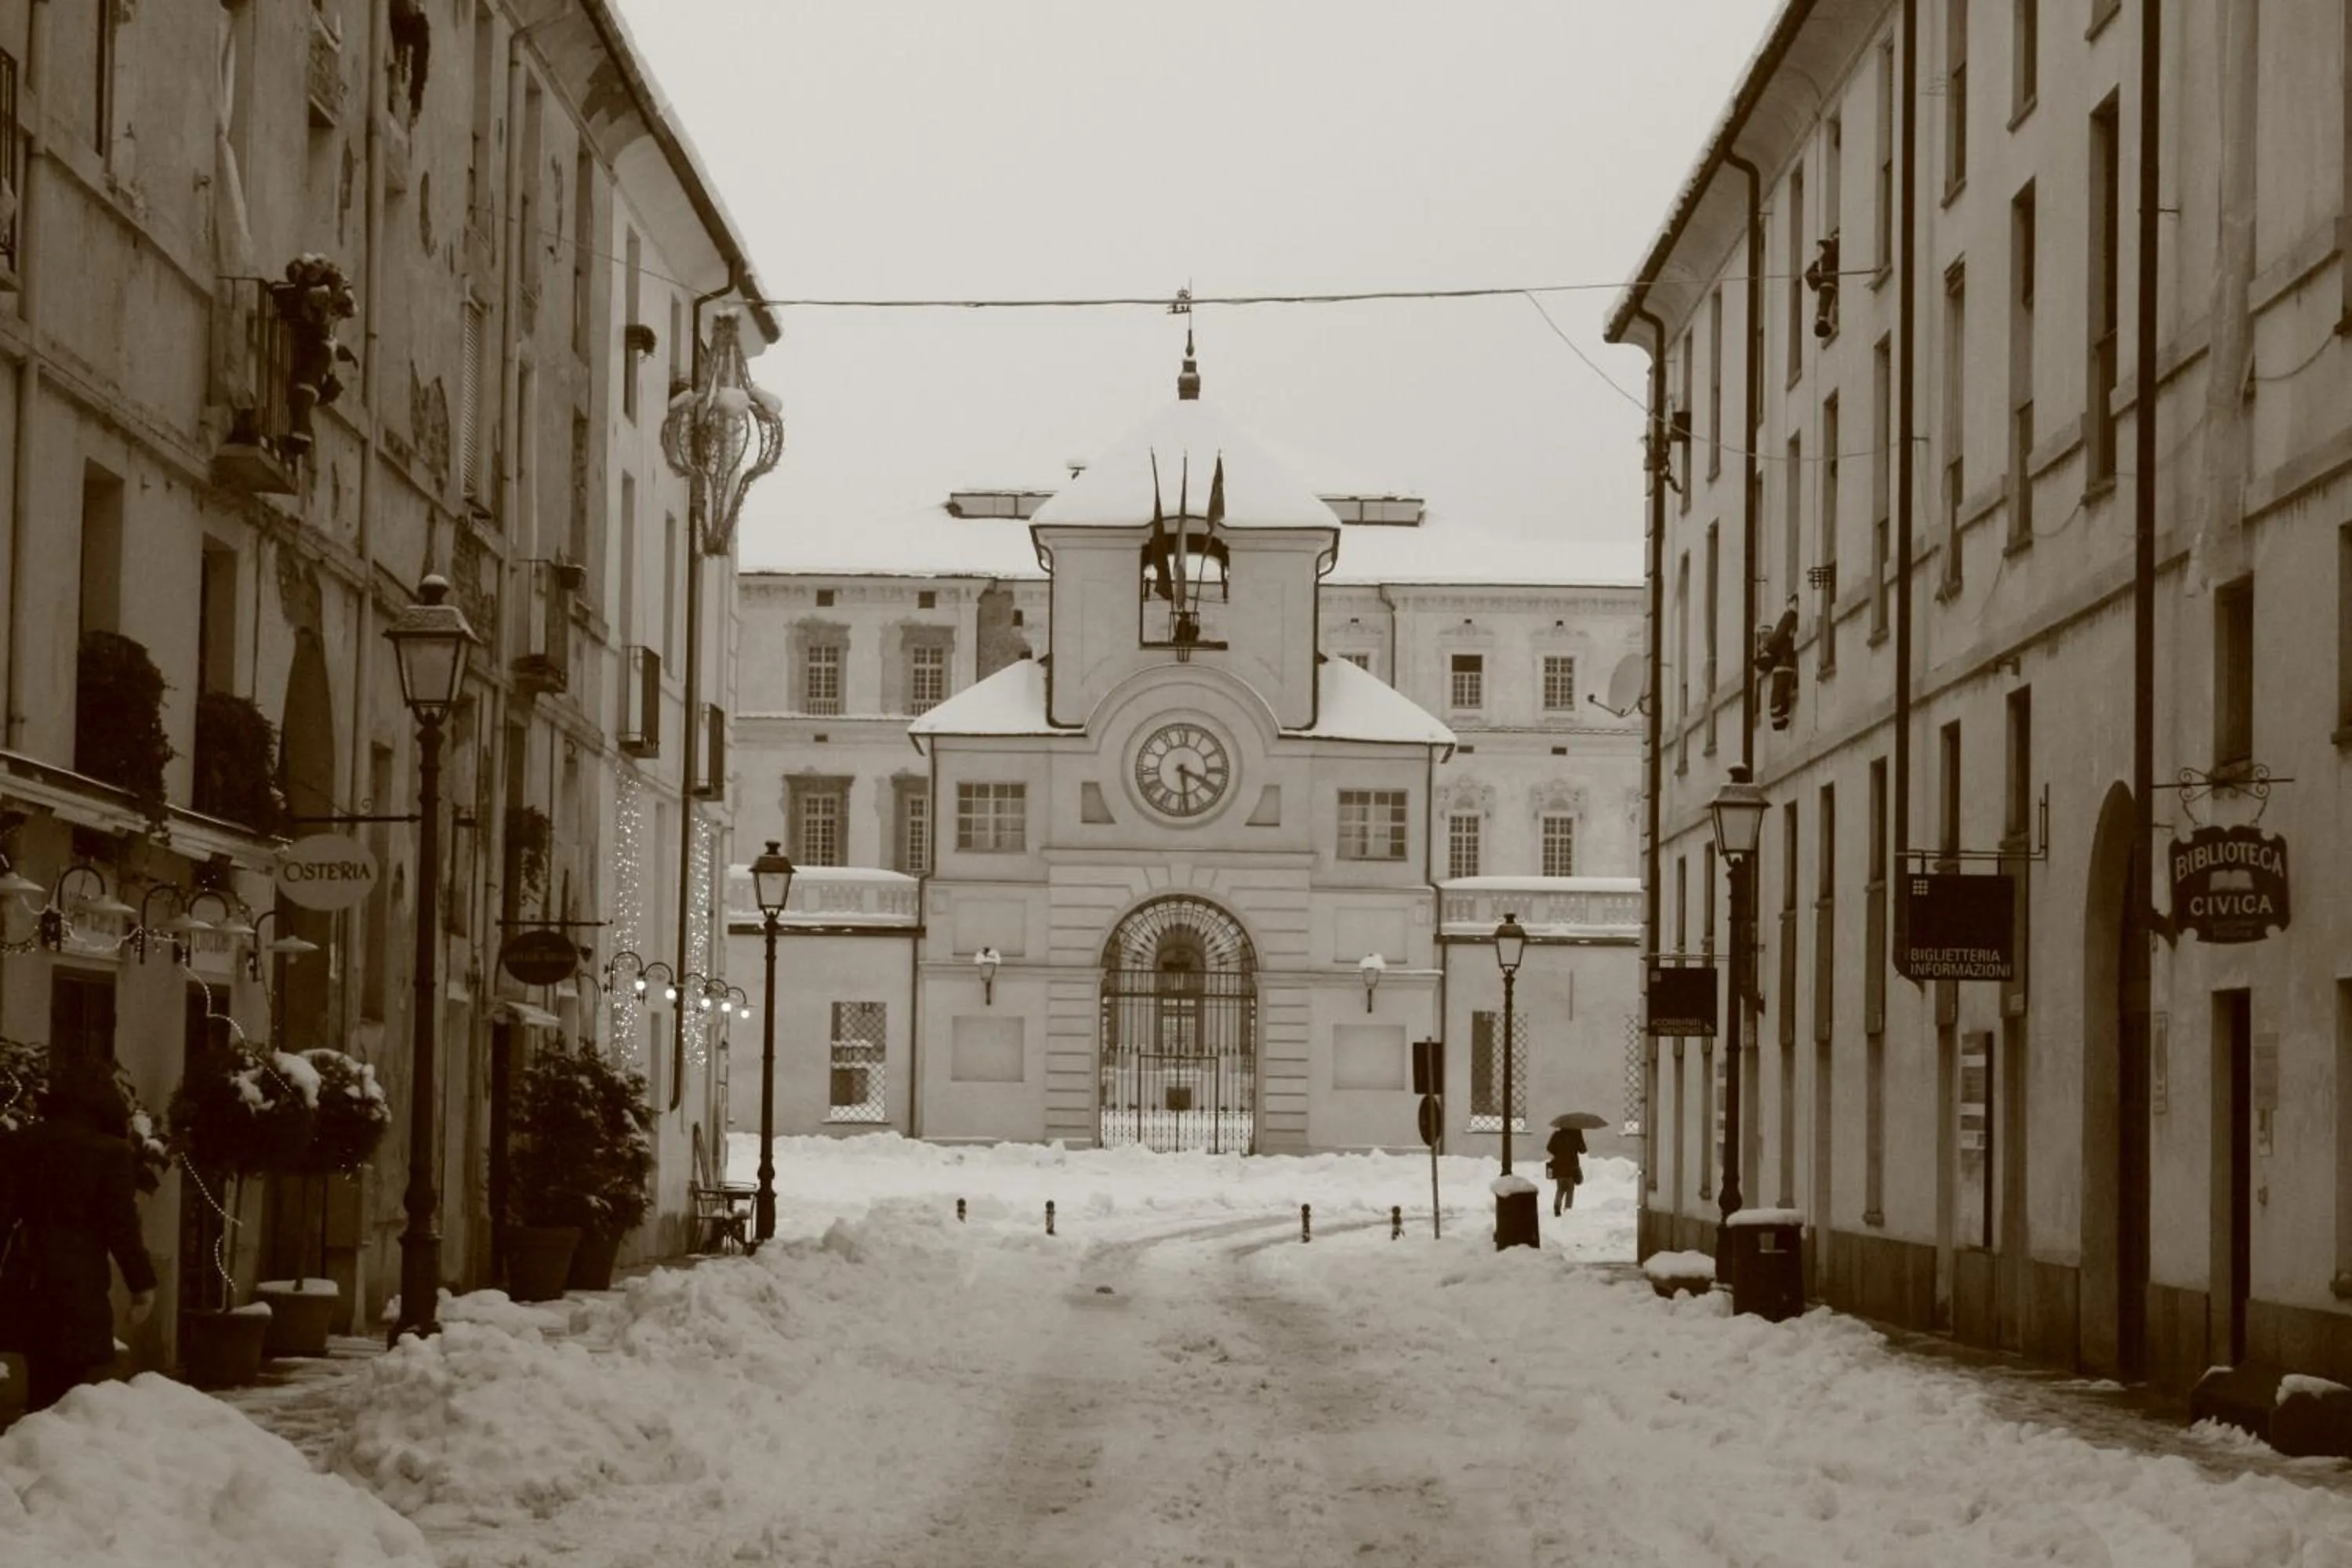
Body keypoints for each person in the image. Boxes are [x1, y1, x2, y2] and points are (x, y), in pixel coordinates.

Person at [0, 1052, 157, 1414]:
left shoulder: (21, 1143)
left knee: (40, 1371)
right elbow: (121, 1226)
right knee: (70, 1382)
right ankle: (58, 1457)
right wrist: (141, 1286)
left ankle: (39, 1449)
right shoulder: (110, 1153)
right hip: (79, 1278)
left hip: (30, 1273)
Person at [1544, 1123, 1588, 1217]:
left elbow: (1549, 1149)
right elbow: (1583, 1150)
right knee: (1570, 1190)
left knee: (1560, 1189)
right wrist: (1580, 1136)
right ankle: (1568, 1211)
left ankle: (1557, 1205)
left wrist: (1558, 1151)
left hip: (1559, 1166)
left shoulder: (1557, 1135)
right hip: (1572, 1167)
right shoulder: (1576, 1135)